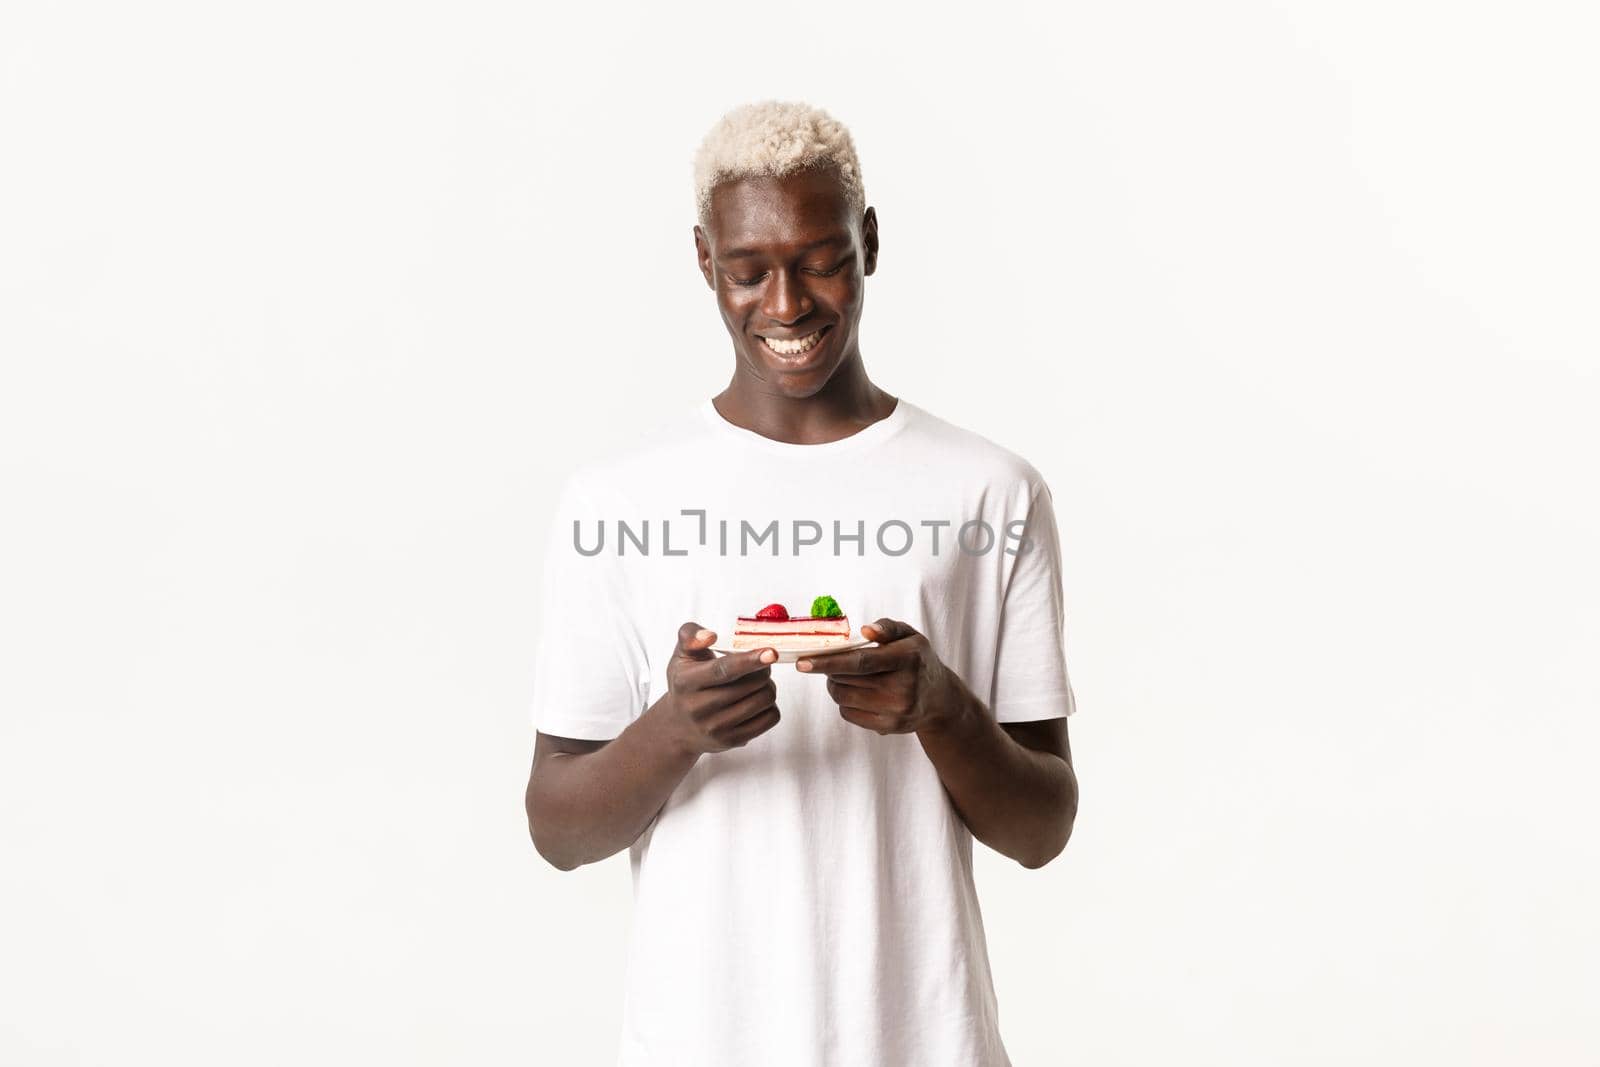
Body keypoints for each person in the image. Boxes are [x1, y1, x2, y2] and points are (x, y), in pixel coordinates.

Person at [524, 99, 1079, 1067]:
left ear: (868, 241)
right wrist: (674, 728)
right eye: (748, 270)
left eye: (820, 259)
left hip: (926, 1040)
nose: (785, 305)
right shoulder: (614, 499)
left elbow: (1041, 827)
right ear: (706, 261)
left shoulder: (993, 489)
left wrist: (942, 708)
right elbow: (557, 826)